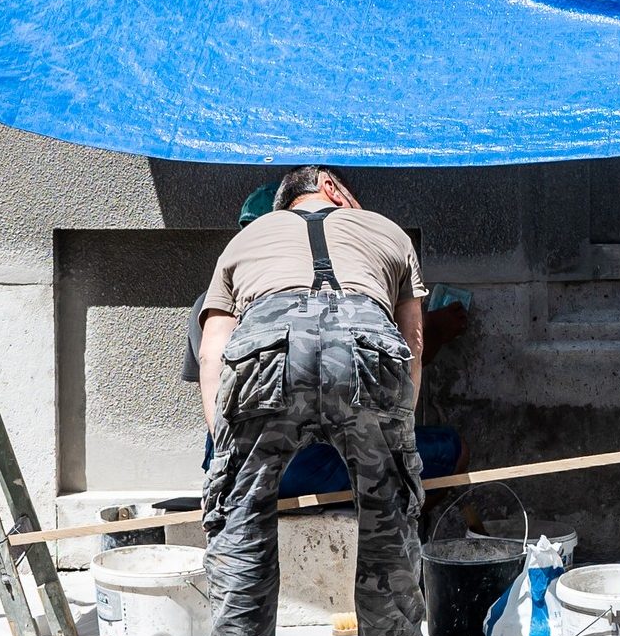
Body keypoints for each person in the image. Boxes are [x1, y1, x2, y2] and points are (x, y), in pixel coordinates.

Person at [193, 165, 431, 636]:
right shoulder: (386, 230)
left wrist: (228, 453)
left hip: (266, 352)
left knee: (243, 522)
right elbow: (413, 342)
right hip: (368, 348)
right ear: (328, 185)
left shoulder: (246, 239)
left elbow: (213, 351)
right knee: (388, 521)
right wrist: (398, 435)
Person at [182, 184, 467, 495]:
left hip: (238, 466)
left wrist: (228, 465)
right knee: (452, 449)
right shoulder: (322, 296)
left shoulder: (210, 304)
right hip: (296, 470)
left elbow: (214, 378)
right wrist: (433, 329)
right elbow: (393, 367)